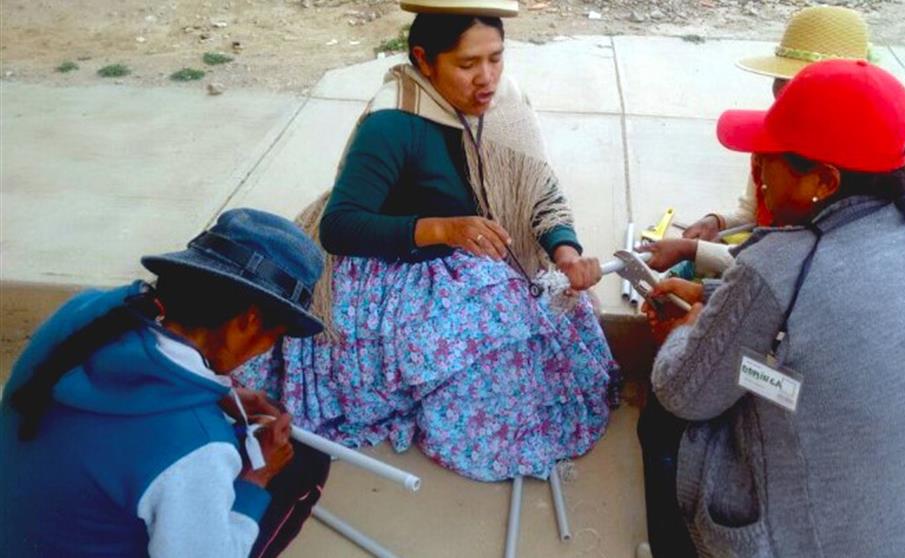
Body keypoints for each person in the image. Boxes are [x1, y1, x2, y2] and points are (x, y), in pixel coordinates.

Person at [235, 0, 616, 482]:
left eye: (496, 58)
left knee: (561, 308)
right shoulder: (394, 121)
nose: (487, 78)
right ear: (423, 59)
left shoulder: (504, 103)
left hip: (460, 247)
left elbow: (539, 190)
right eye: (467, 64)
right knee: (491, 326)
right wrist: (443, 228)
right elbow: (340, 227)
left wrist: (566, 252)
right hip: (388, 256)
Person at [636, 60, 905, 557]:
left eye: (768, 158)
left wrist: (685, 332)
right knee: (761, 381)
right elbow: (816, 345)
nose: (756, 171)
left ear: (822, 181)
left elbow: (683, 392)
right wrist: (719, 306)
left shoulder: (778, 265)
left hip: (832, 545)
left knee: (664, 418)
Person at [0, 208, 332, 557]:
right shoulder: (197, 446)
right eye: (274, 336)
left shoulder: (87, 313)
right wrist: (255, 480)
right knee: (303, 462)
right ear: (249, 321)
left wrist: (218, 392)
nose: (266, 349)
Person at [643, 5, 905, 274]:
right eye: (780, 91)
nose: (780, 104)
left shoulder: (849, 233)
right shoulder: (794, 138)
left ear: (825, 182)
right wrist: (718, 222)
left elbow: (781, 268)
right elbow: (755, 217)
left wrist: (694, 253)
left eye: (797, 92)